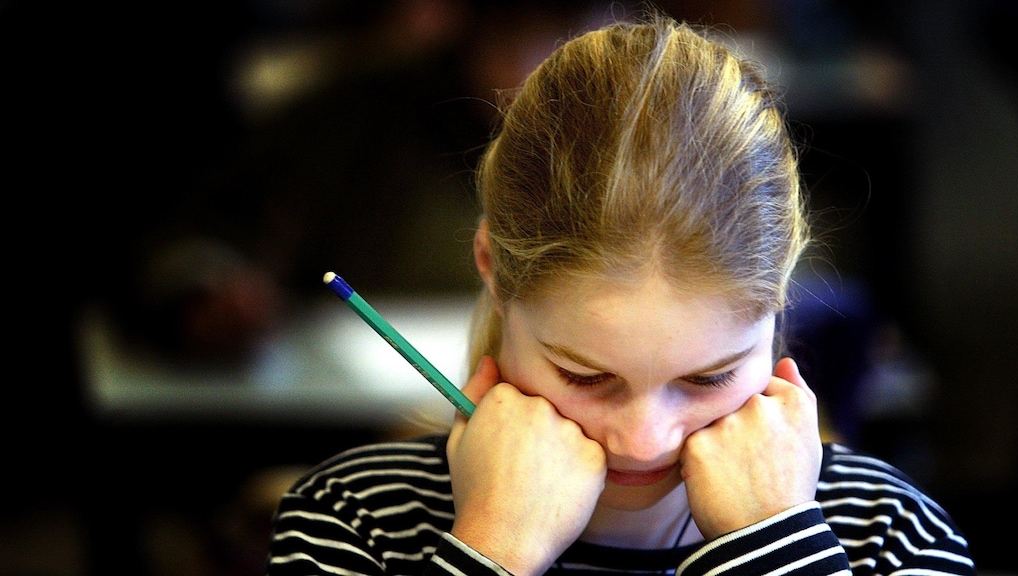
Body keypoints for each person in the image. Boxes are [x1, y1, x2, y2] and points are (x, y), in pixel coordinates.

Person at [265, 13, 975, 576]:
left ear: (781, 297)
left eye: (708, 378)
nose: (643, 440)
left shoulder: (887, 534)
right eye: (586, 375)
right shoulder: (352, 519)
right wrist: (493, 551)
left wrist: (777, 551)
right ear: (492, 267)